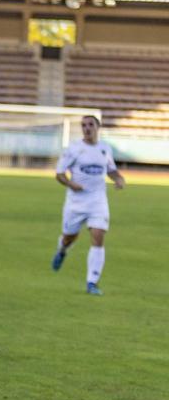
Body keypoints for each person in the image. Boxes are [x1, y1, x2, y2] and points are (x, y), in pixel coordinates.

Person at [51, 115, 125, 296]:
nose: (87, 128)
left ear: (98, 127)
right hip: (76, 202)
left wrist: (118, 178)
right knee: (69, 237)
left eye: (90, 125)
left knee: (98, 236)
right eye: (83, 125)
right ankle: (62, 249)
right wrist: (71, 184)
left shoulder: (105, 148)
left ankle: (92, 282)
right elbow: (59, 173)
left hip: (98, 201)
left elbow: (111, 169)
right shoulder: (74, 149)